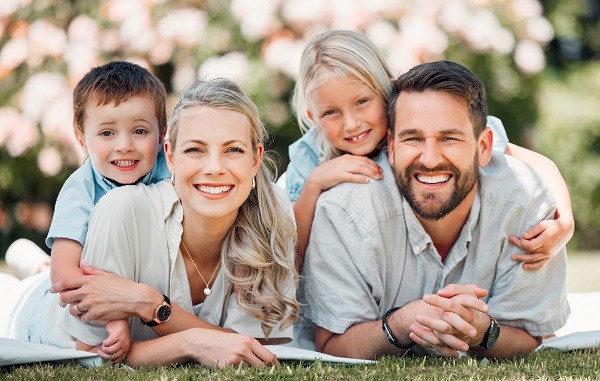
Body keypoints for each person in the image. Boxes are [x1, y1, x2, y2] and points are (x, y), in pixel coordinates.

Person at [1, 78, 299, 368]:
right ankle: (32, 271)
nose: (214, 168)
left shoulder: (272, 212)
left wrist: (148, 304)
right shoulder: (121, 208)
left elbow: (253, 351)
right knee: (18, 291)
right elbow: (93, 355)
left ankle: (32, 264)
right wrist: (190, 342)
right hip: (35, 313)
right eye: (194, 149)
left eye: (233, 150)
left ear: (256, 159)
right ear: (170, 156)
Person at [301, 60, 569, 360]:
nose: (429, 159)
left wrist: (483, 332)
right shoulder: (342, 210)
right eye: (413, 138)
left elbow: (534, 337)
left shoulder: (526, 201)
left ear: (484, 147)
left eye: (449, 138)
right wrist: (402, 322)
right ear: (390, 146)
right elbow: (330, 345)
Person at [286, 30, 573, 269]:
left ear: (388, 90)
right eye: (331, 113)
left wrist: (565, 224)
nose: (351, 123)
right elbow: (293, 256)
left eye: (362, 102)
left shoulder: (426, 123)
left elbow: (541, 166)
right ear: (313, 118)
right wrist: (314, 185)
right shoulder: (309, 156)